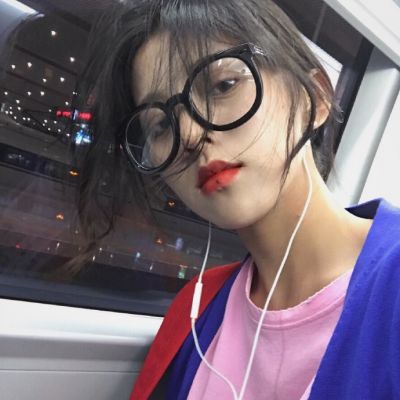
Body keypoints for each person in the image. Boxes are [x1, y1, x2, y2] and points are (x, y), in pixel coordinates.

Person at [77, 0, 400, 399]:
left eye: (223, 86)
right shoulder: (194, 313)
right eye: (160, 125)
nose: (190, 136)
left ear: (314, 98)